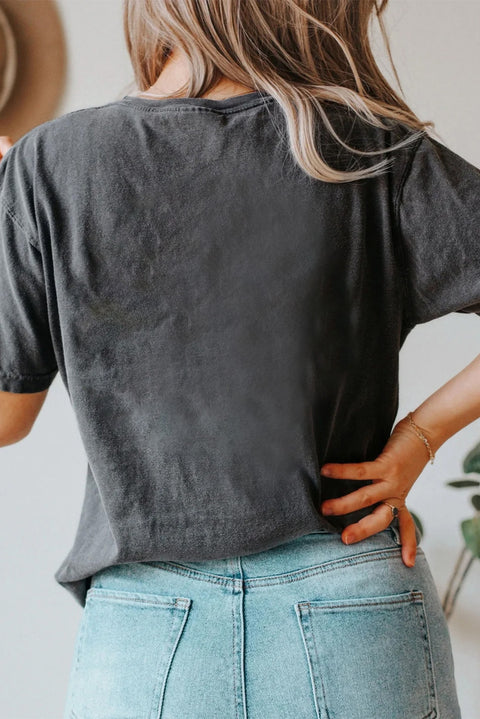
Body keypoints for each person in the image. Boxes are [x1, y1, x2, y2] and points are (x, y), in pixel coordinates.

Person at [1, 0, 478, 716]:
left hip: (147, 627)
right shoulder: (363, 147)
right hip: (351, 602)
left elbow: (5, 418)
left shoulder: (50, 164)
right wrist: (420, 438)